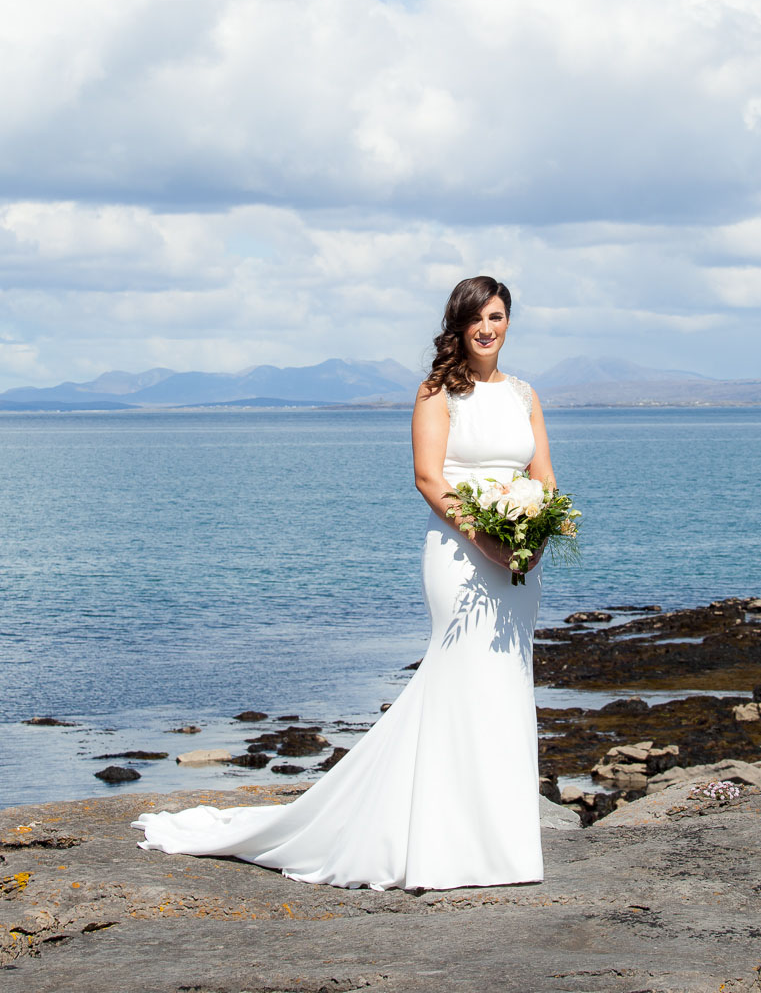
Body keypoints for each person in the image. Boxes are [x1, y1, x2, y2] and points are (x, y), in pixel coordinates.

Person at [132, 275, 556, 891]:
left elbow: (543, 477)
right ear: (458, 327)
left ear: (509, 321)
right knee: (457, 679)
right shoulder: (437, 391)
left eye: (496, 316)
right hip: (462, 559)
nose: (486, 329)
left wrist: (532, 536)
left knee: (505, 684)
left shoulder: (524, 395)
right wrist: (487, 540)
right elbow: (429, 480)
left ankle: (500, 846)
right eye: (475, 319)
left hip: (520, 565)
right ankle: (439, 844)